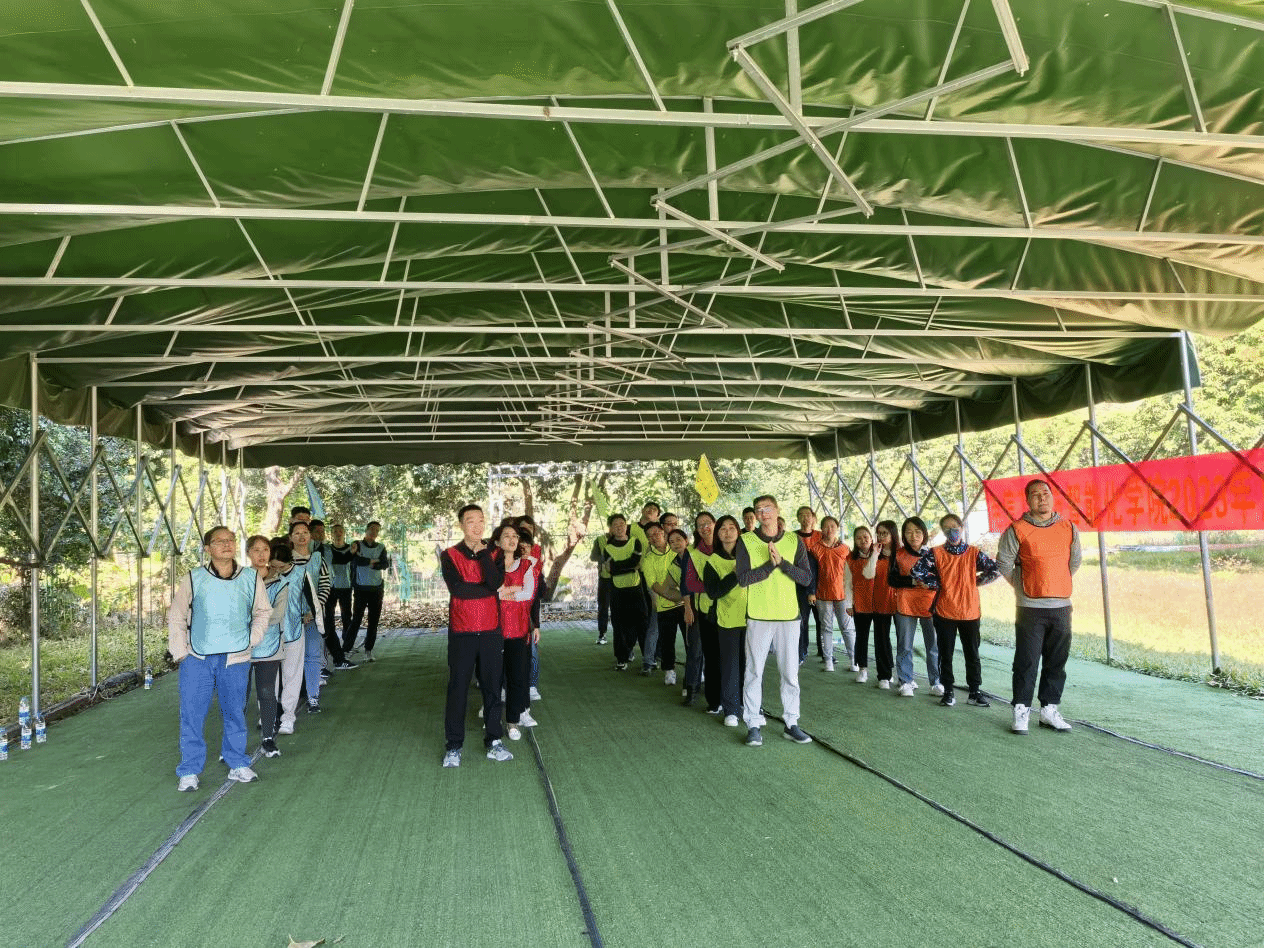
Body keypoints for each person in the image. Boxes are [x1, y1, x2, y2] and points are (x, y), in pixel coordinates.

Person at [168, 526, 272, 791]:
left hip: (235, 656)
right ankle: (189, 770)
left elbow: (263, 611)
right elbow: (177, 615)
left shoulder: (250, 577)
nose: (227, 544)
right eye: (220, 541)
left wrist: (252, 639)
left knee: (235, 712)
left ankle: (237, 763)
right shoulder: (193, 578)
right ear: (207, 548)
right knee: (192, 714)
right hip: (198, 656)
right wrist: (181, 652)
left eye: (231, 540)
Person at [996, 479, 1081, 734]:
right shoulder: (1017, 529)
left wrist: (1055, 582)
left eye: (1045, 493)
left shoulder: (1069, 528)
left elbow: (1074, 562)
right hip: (1030, 608)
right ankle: (1021, 709)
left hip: (1061, 606)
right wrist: (1024, 586)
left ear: (1052, 497)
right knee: (1027, 660)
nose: (1042, 498)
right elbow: (1004, 564)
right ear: (1028, 501)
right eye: (1035, 495)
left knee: (1057, 660)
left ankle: (1049, 710)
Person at [735, 495, 814, 747]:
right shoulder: (746, 540)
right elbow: (743, 579)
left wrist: (782, 563)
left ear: (777, 510)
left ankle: (791, 723)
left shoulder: (793, 540)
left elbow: (806, 578)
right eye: (758, 509)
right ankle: (753, 724)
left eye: (767, 508)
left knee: (790, 673)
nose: (763, 513)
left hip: (789, 616)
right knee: (753, 672)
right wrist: (770, 566)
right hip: (758, 615)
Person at [439, 504, 512, 766]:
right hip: (462, 632)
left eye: (481, 520)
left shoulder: (495, 553)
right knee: (458, 688)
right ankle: (454, 745)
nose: (477, 526)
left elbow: (495, 582)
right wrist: (488, 591)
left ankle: (494, 740)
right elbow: (458, 590)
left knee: (493, 687)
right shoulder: (449, 555)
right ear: (461, 525)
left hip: (491, 630)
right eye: (471, 521)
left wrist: (483, 555)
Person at [912, 514, 1001, 708]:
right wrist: (937, 583)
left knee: (972, 653)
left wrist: (975, 582)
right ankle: (948, 691)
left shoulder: (974, 553)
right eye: (947, 528)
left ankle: (974, 692)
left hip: (970, 611)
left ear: (962, 528)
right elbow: (917, 571)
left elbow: (995, 570)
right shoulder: (935, 553)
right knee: (946, 654)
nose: (952, 531)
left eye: (955, 527)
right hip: (945, 611)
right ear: (943, 532)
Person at [494, 525, 540, 741]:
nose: (512, 539)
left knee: (517, 677)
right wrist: (514, 589)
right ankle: (492, 718)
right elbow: (489, 592)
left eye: (515, 536)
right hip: (492, 629)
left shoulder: (526, 564)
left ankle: (513, 721)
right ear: (497, 542)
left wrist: (506, 591)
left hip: (518, 629)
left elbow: (528, 593)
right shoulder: (489, 566)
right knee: (492, 678)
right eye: (506, 536)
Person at [887, 517, 941, 699]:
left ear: (924, 534)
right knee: (905, 645)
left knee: (933, 645)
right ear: (903, 535)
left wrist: (929, 584)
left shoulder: (934, 554)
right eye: (909, 532)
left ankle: (936, 682)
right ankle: (905, 681)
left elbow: (941, 578)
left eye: (918, 531)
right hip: (905, 604)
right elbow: (892, 579)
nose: (913, 535)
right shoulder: (897, 554)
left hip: (930, 604)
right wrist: (912, 581)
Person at [246, 536, 289, 758]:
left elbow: (277, 615)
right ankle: (232, 743)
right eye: (256, 550)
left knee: (266, 692)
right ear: (248, 553)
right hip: (240, 646)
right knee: (238, 695)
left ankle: (268, 738)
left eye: (265, 549)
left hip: (269, 645)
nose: (261, 554)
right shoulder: (239, 580)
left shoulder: (281, 583)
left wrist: (250, 622)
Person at [704, 515, 747, 728]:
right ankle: (731, 710)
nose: (728, 532)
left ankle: (750, 706)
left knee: (750, 666)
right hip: (727, 620)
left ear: (738, 531)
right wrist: (734, 574)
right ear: (717, 534)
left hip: (752, 618)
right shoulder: (712, 561)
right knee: (730, 666)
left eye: (732, 528)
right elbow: (713, 592)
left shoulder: (748, 556)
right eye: (723, 528)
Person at [682, 512, 720, 711]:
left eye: (708, 523)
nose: (705, 527)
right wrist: (688, 607)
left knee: (722, 653)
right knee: (696, 650)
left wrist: (708, 585)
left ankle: (724, 694)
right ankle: (692, 689)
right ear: (696, 530)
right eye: (700, 525)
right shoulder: (692, 552)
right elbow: (688, 583)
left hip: (729, 609)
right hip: (700, 609)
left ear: (715, 524)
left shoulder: (728, 547)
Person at [809, 516, 854, 673]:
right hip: (822, 594)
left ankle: (854, 660)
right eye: (826, 526)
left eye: (832, 526)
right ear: (821, 529)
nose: (829, 529)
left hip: (842, 594)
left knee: (847, 627)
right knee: (826, 627)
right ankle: (828, 660)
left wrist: (852, 594)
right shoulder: (815, 549)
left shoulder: (845, 549)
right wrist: (811, 592)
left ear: (837, 528)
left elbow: (851, 573)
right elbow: (812, 573)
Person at [640, 523, 683, 684]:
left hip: (686, 605)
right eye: (650, 535)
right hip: (665, 606)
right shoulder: (648, 560)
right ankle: (669, 671)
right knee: (667, 641)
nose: (654, 537)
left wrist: (685, 598)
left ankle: (698, 671)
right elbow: (654, 585)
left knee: (691, 641)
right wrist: (676, 597)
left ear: (663, 532)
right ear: (648, 539)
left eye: (656, 533)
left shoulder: (676, 550)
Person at [603, 514, 647, 671]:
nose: (619, 527)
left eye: (622, 524)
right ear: (611, 529)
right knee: (619, 625)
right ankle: (621, 658)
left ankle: (648, 658)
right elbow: (612, 570)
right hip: (617, 590)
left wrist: (618, 566)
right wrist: (627, 567)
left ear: (626, 525)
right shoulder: (607, 548)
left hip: (636, 588)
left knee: (642, 623)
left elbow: (635, 562)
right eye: (615, 525)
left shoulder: (635, 542)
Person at [862, 521, 899, 689]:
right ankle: (884, 675)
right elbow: (868, 574)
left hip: (900, 602)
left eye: (885, 533)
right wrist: (875, 554)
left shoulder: (901, 553)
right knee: (882, 639)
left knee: (903, 640)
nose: (882, 536)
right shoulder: (874, 552)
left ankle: (905, 677)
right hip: (880, 601)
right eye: (879, 533)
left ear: (893, 534)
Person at [348, 520, 390, 662]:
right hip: (360, 589)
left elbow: (385, 564)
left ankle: (368, 650)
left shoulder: (381, 547)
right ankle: (347, 649)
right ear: (366, 530)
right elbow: (355, 561)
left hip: (376, 589)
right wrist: (373, 560)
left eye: (377, 530)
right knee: (356, 620)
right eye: (372, 529)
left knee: (373, 621)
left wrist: (372, 564)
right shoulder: (357, 544)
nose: (374, 532)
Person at [794, 506, 821, 663]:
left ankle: (824, 652)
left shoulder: (821, 536)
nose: (805, 518)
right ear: (798, 518)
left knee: (821, 621)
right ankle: (801, 652)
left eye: (808, 515)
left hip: (821, 584)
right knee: (802, 620)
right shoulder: (792, 537)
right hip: (800, 585)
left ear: (813, 518)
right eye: (801, 515)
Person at [324, 523, 356, 653]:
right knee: (329, 616)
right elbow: (338, 560)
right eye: (335, 531)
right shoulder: (327, 549)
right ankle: (331, 644)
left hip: (346, 586)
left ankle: (347, 644)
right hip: (330, 587)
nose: (338, 534)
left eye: (340, 531)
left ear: (344, 533)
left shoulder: (351, 548)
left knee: (346, 616)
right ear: (331, 534)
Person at [589, 525, 612, 646]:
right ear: (609, 526)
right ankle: (602, 634)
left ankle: (625, 635)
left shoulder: (626, 539)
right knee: (603, 608)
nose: (617, 528)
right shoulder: (600, 540)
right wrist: (602, 558)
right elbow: (593, 557)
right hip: (605, 579)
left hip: (621, 579)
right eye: (614, 525)